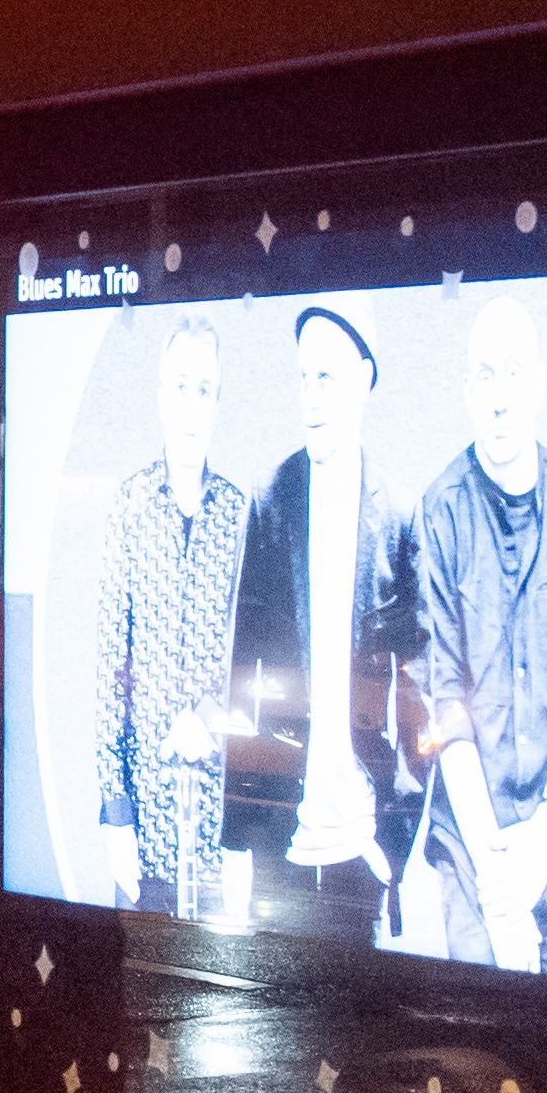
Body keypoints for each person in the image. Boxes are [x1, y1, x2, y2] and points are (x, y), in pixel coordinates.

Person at [403, 294, 547, 976]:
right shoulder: (437, 514)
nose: (499, 397)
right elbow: (443, 702)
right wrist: (500, 883)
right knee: (485, 1041)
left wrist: (546, 837)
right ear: (468, 393)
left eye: (514, 373)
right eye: (485, 376)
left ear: (539, 383)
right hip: (472, 844)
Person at [229, 305, 422, 940]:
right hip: (280, 836)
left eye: (327, 378)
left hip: (360, 848)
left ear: (364, 379)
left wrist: (394, 840)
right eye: (302, 378)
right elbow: (244, 662)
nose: (309, 396)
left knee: (361, 1030)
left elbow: (416, 687)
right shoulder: (272, 495)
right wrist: (242, 823)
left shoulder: (396, 513)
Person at [86, 318, 251, 918]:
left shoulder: (238, 515)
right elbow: (111, 663)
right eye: (179, 387)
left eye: (203, 389)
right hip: (145, 817)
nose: (190, 405)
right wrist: (116, 812)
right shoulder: (130, 506)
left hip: (217, 822)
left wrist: (208, 713)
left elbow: (250, 655)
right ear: (160, 395)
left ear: (218, 402)